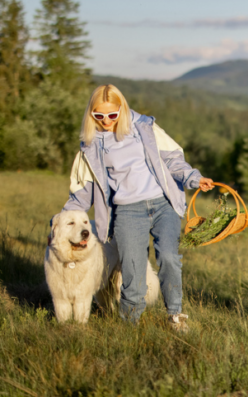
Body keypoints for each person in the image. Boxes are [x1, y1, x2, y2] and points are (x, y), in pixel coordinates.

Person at [61, 84, 214, 332]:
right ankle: (129, 326)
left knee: (168, 258)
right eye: (99, 116)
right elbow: (81, 193)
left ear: (122, 109)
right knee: (133, 270)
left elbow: (173, 160)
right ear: (91, 114)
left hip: (163, 203)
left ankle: (175, 316)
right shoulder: (89, 146)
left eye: (112, 114)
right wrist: (58, 224)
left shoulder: (144, 127)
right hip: (128, 211)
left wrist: (194, 179)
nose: (107, 120)